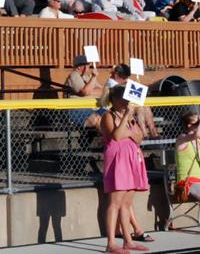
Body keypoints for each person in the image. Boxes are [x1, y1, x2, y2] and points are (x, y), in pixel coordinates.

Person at [99, 85, 151, 252]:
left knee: (127, 203)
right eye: (123, 98)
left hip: (132, 160)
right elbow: (117, 135)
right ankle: (111, 243)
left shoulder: (130, 118)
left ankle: (128, 240)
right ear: (114, 99)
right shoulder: (108, 115)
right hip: (117, 161)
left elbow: (140, 137)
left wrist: (129, 130)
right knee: (115, 203)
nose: (126, 101)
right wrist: (128, 125)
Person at [64, 54, 103, 128]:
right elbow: (84, 92)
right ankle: (109, 139)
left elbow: (101, 91)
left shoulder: (88, 76)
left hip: (94, 108)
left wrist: (89, 91)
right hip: (78, 109)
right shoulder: (74, 75)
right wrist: (94, 77)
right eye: (87, 64)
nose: (89, 66)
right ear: (79, 66)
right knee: (97, 119)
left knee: (110, 116)